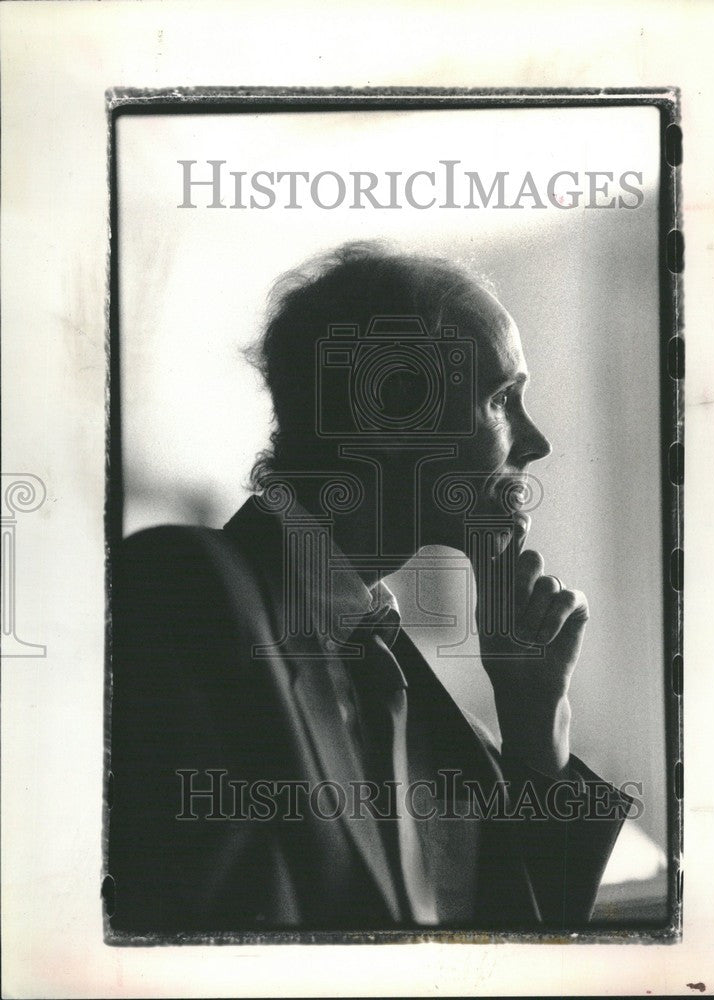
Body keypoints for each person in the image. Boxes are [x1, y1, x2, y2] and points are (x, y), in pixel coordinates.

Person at [107, 241, 633, 936]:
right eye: (502, 398)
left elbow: (516, 943)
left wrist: (533, 722)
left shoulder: (422, 699)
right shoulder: (187, 589)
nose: (535, 443)